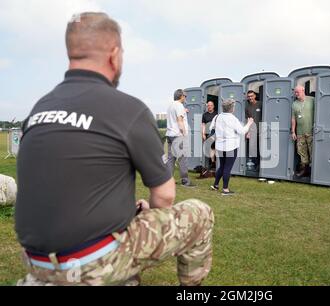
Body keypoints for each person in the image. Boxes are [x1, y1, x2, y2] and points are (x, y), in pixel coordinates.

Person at [15, 12, 214, 286]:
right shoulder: (127, 109)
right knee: (199, 213)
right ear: (114, 54)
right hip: (93, 261)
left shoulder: (41, 108)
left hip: (38, 263)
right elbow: (165, 196)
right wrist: (149, 213)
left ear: (71, 53)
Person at [210, 99, 253, 196]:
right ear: (232, 108)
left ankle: (215, 185)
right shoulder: (233, 119)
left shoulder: (217, 117)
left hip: (220, 146)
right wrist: (249, 123)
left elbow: (211, 128)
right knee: (227, 168)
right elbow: (242, 131)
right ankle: (225, 189)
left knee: (222, 166)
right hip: (231, 146)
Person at [166, 89, 196, 187]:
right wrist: (184, 133)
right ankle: (185, 181)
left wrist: (184, 111)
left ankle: (168, 181)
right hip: (178, 135)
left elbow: (175, 116)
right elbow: (179, 120)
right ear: (181, 96)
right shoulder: (179, 106)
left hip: (170, 135)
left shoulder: (171, 105)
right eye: (185, 96)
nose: (185, 97)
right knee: (183, 159)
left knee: (171, 159)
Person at [291, 86, 314, 177]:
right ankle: (304, 171)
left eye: (298, 92)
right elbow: (293, 118)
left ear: (303, 90)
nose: (296, 94)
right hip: (300, 133)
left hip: (311, 132)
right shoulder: (294, 104)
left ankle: (313, 171)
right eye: (295, 93)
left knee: (313, 151)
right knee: (302, 152)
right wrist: (293, 131)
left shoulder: (312, 100)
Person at [245, 90, 262, 171]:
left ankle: (261, 166)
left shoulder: (260, 104)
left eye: (251, 96)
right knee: (253, 150)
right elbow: (248, 120)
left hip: (261, 131)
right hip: (252, 131)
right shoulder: (247, 107)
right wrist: (248, 132)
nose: (250, 98)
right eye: (249, 96)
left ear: (255, 96)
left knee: (261, 149)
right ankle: (256, 166)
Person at [202, 101, 218, 171]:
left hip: (217, 134)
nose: (209, 107)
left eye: (211, 105)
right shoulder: (205, 115)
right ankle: (212, 163)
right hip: (208, 135)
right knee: (210, 149)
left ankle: (216, 164)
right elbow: (203, 125)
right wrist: (203, 134)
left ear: (213, 106)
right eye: (208, 105)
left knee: (217, 149)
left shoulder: (217, 114)